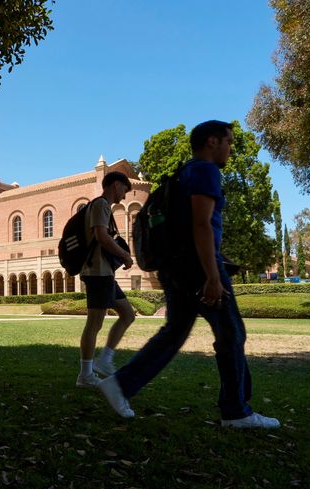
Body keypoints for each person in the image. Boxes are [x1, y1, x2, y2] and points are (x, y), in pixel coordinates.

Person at [97, 120, 280, 429]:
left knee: (175, 331)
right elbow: (201, 225)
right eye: (228, 142)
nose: (231, 149)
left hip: (175, 266)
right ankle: (236, 411)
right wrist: (213, 274)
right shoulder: (205, 170)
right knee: (232, 333)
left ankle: (121, 384)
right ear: (212, 141)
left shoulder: (183, 173)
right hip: (197, 267)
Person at [75, 172, 135, 388]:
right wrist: (125, 255)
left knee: (128, 314)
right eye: (124, 190)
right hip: (97, 273)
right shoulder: (101, 204)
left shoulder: (104, 207)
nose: (125, 196)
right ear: (116, 185)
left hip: (105, 273)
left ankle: (105, 359)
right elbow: (101, 236)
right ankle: (85, 375)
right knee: (94, 324)